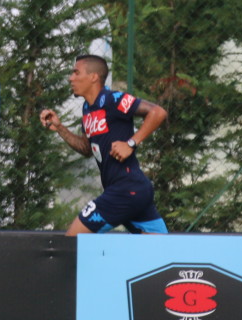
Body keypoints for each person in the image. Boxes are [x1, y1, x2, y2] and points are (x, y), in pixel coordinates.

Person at [40, 54, 169, 235]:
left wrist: (131, 143)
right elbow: (86, 148)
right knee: (161, 254)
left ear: (93, 77)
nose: (71, 78)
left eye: (76, 73)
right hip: (131, 191)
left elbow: (158, 112)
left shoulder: (113, 99)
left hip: (126, 189)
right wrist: (60, 128)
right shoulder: (87, 109)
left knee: (73, 240)